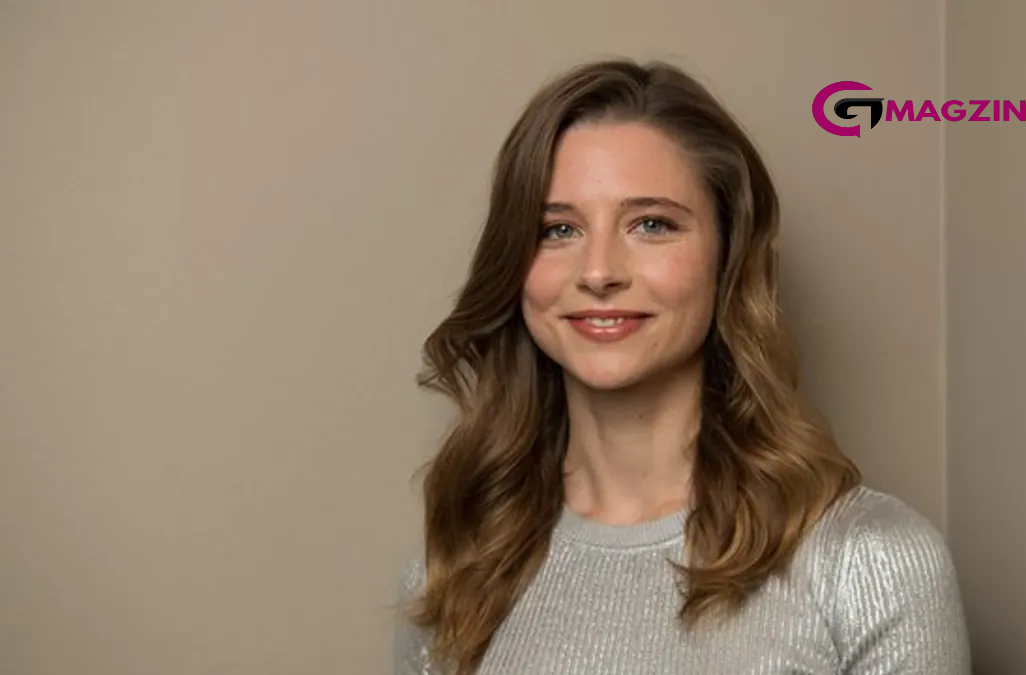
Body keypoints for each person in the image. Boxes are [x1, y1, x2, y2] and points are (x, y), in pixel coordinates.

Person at [393, 58, 970, 675]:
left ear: (728, 255)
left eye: (651, 224)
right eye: (558, 229)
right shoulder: (453, 573)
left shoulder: (869, 563)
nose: (598, 272)